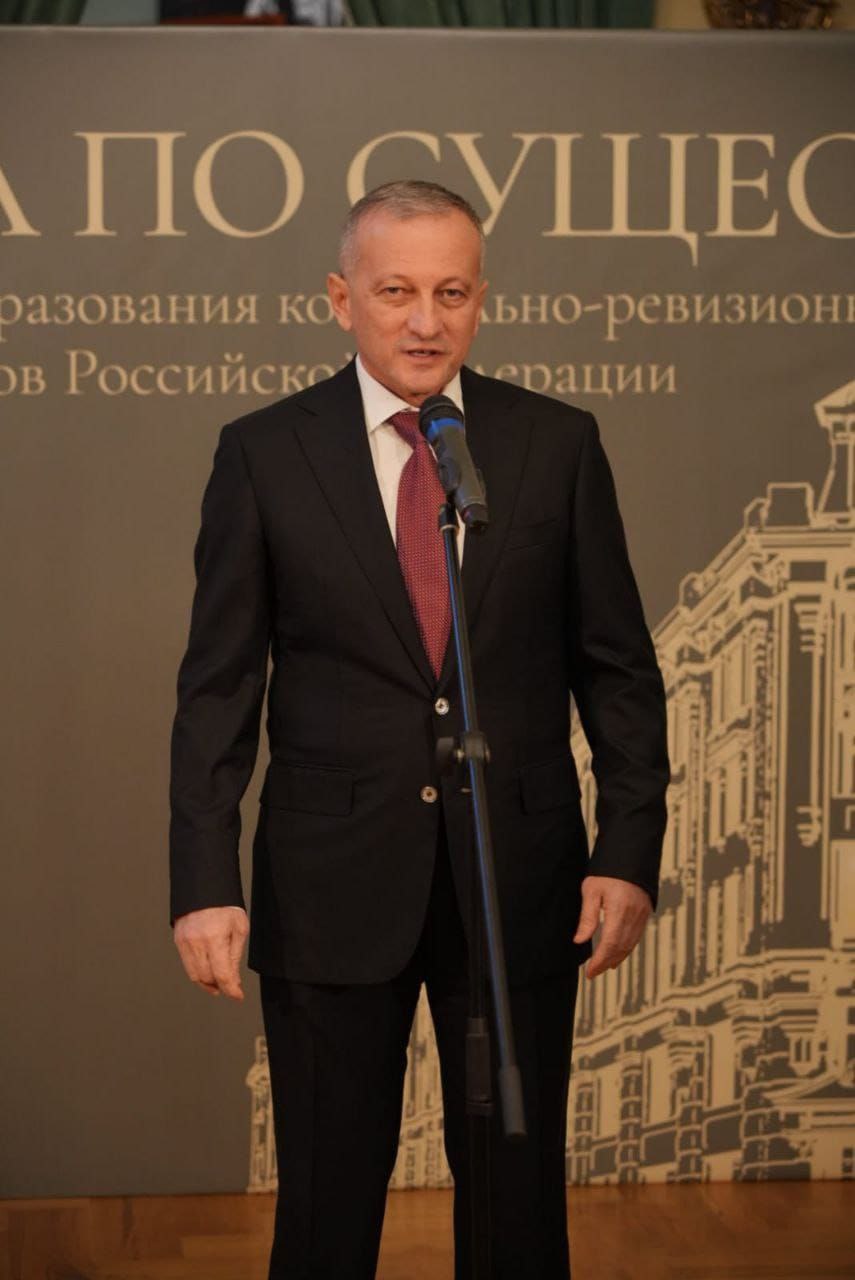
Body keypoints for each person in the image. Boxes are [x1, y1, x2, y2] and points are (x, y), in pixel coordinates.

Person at [169, 179, 670, 1280]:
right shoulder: (264, 452)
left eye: (451, 292)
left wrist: (628, 851)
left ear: (481, 300)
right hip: (330, 878)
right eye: (395, 291)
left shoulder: (554, 443)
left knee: (517, 1207)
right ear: (340, 298)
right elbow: (218, 687)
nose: (425, 321)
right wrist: (204, 877)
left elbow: (619, 671)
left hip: (518, 875)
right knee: (326, 1204)